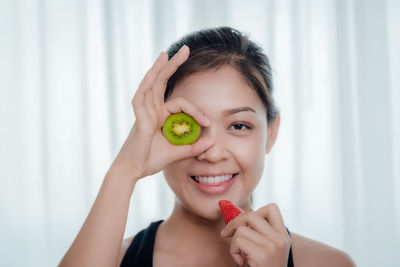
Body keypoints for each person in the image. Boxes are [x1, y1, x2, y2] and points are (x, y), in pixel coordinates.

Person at [59, 26, 356, 267]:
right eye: (191, 126)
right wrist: (125, 170)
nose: (212, 153)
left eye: (239, 126)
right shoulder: (116, 260)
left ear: (271, 133)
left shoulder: (329, 263)